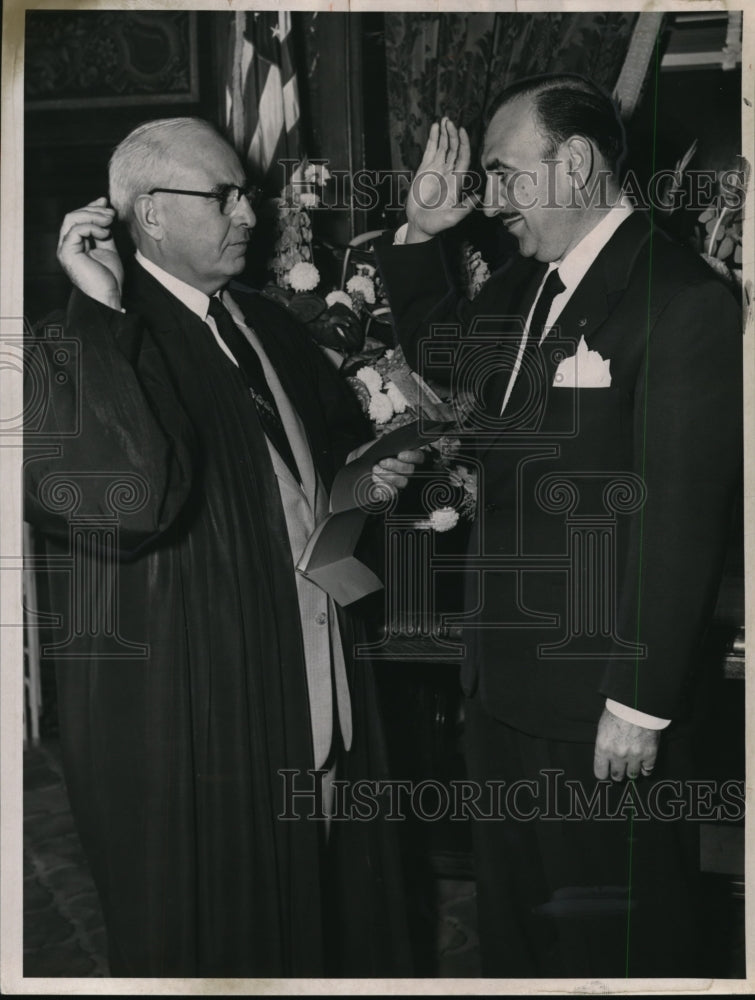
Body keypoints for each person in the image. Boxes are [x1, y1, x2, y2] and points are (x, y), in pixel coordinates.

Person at [24, 116, 423, 978]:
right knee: (223, 927)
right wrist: (96, 307)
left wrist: (367, 482)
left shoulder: (264, 325)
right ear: (151, 214)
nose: (251, 212)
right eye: (225, 195)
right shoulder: (84, 340)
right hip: (196, 706)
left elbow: (329, 471)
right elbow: (123, 500)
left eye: (248, 193)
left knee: (328, 912)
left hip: (317, 679)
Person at [375, 74, 743, 977]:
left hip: (598, 707)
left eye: (503, 174)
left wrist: (638, 702)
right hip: (502, 688)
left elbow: (683, 518)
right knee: (521, 931)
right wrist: (423, 235)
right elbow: (441, 357)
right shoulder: (526, 285)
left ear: (573, 162)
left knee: (612, 936)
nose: (490, 199)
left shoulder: (677, 296)